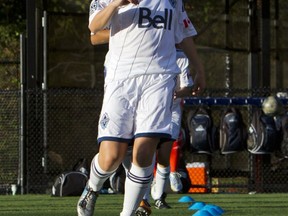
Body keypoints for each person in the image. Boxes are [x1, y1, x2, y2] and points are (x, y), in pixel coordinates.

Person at [77, 1, 205, 216]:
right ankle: (92, 189)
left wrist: (199, 67)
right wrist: (118, 2)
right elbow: (94, 29)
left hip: (160, 77)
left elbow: (183, 32)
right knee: (111, 156)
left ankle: (128, 213)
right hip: (121, 78)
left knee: (145, 150)